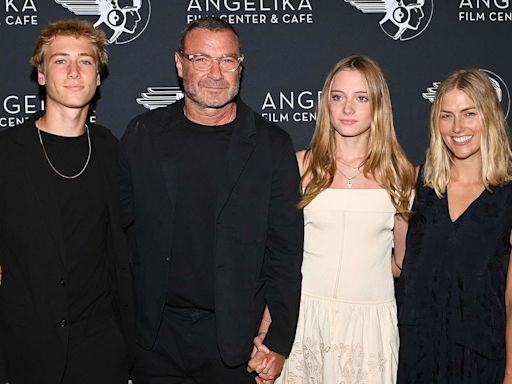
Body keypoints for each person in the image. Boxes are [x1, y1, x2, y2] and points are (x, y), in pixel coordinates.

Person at [120, 17, 304, 383]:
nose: (216, 73)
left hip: (237, 342)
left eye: (228, 60)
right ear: (179, 64)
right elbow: (117, 234)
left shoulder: (271, 145)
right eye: (201, 59)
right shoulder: (143, 134)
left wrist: (277, 339)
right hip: (155, 338)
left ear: (241, 65)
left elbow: (286, 252)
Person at [254, 55, 414, 383]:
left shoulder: (401, 175)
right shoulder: (300, 167)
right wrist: (267, 330)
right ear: (326, 104)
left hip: (369, 328)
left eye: (361, 98)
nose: (347, 109)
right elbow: (282, 261)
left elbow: (401, 262)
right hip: (303, 321)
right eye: (338, 97)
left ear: (378, 105)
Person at [0, 19, 134, 384]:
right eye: (60, 61)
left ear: (98, 76)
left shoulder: (109, 148)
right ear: (41, 75)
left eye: (85, 61)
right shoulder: (8, 152)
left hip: (102, 349)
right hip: (27, 349)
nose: (74, 71)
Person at [396, 69, 512, 383]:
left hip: (480, 358)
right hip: (417, 354)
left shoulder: (507, 194)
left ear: (489, 116)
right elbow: (400, 266)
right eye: (446, 116)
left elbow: (511, 298)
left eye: (468, 114)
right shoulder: (417, 182)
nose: (457, 127)